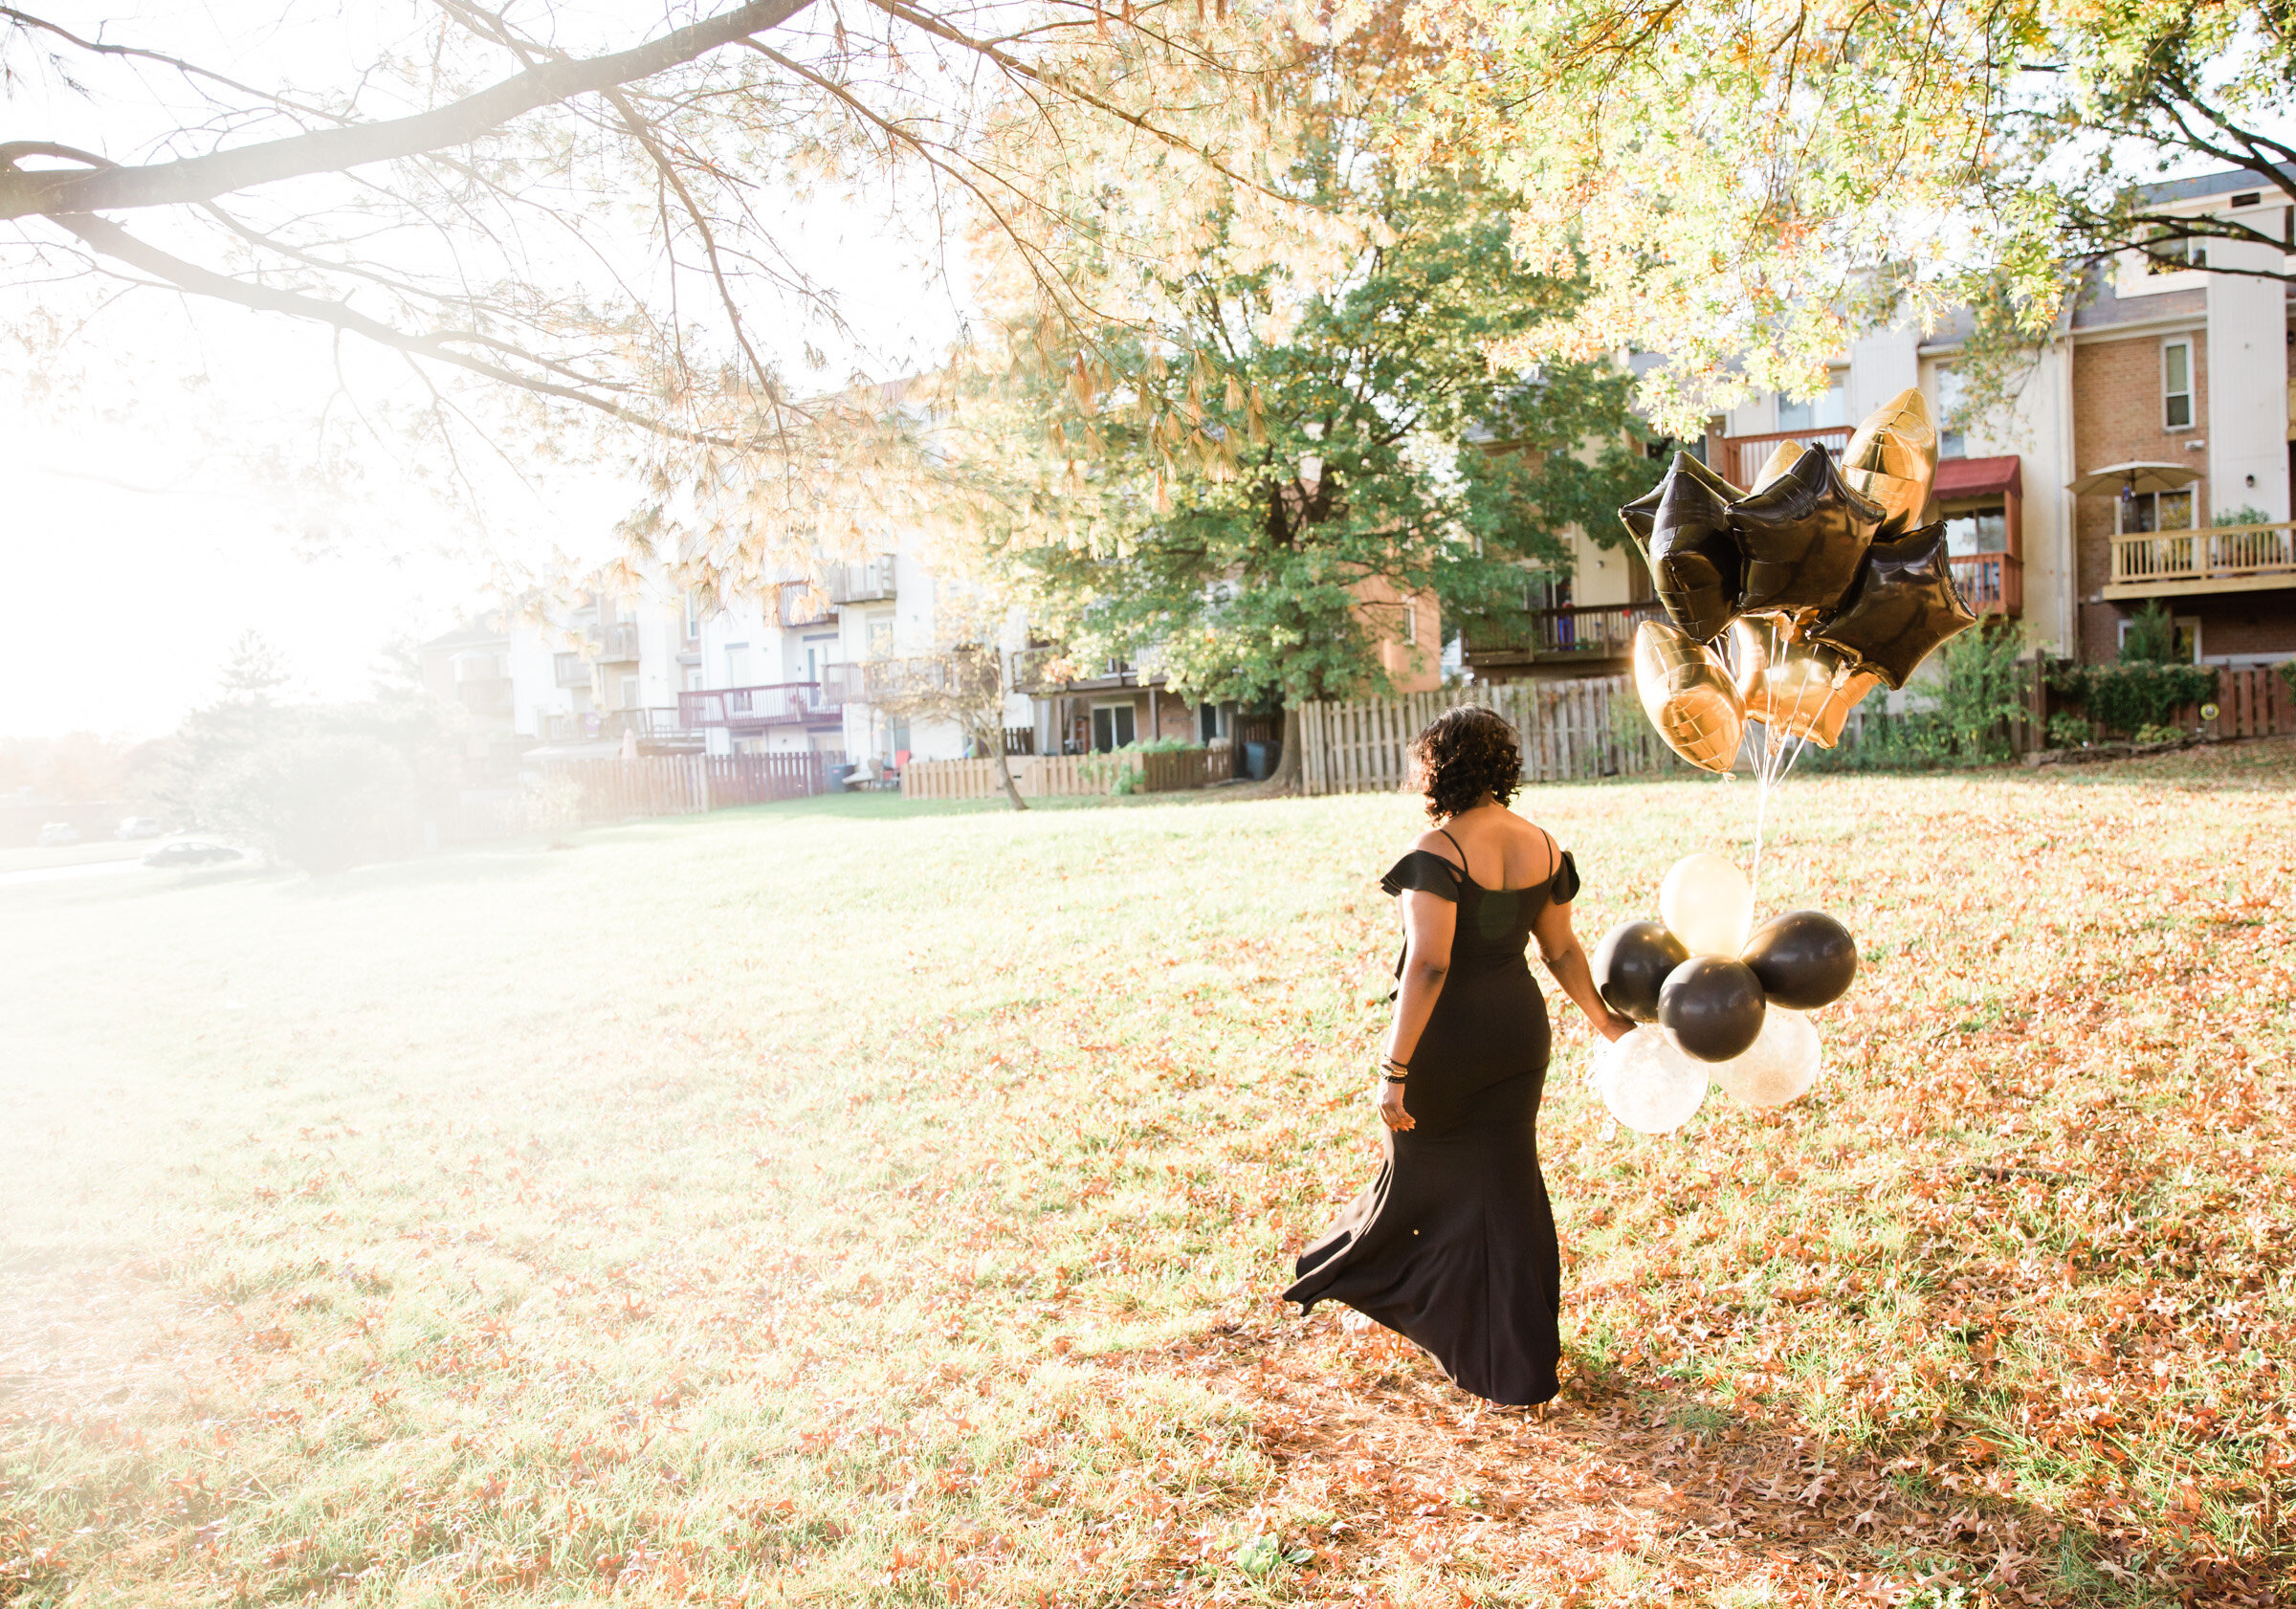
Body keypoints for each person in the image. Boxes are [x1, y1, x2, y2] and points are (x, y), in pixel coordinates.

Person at [1286, 705, 1634, 1406]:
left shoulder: (1438, 852)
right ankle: (1517, 1360)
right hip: (1517, 1034)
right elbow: (1560, 949)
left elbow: (1430, 967)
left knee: (1418, 1180)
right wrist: (1603, 1021)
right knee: (1507, 1190)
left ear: (1439, 767)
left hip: (1450, 1041)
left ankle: (1369, 1285)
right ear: (1500, 766)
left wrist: (1395, 1068)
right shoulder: (1541, 843)